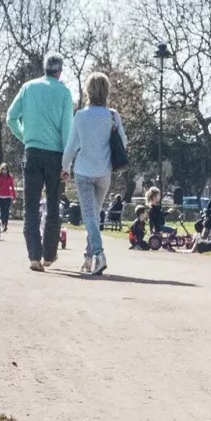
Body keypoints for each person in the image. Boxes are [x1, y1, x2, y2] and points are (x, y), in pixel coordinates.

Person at [6, 53, 75, 271]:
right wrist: (67, 164)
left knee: (31, 205)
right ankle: (49, 254)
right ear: (59, 71)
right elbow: (67, 129)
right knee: (53, 205)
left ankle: (34, 256)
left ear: (44, 68)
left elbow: (11, 117)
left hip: (33, 151)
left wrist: (25, 136)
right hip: (55, 155)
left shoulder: (28, 88)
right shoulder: (64, 92)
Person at [62, 71, 127, 276]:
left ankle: (99, 254)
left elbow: (71, 146)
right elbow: (123, 143)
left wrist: (64, 167)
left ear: (88, 90)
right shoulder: (112, 115)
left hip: (83, 171)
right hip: (104, 173)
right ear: (106, 91)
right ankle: (88, 258)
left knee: (89, 216)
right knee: (93, 218)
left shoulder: (80, 116)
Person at [0, 164, 16, 232]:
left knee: (6, 211)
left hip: (8, 197)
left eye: (5, 169)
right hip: (1, 196)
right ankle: (3, 224)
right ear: (1, 170)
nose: (4, 171)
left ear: (7, 170)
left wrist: (14, 197)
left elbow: (12, 187)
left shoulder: (10, 177)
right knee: (2, 211)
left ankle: (6, 224)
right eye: (3, 169)